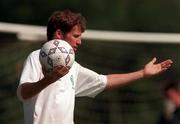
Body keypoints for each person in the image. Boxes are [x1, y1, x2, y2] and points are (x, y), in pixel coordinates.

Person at [16, 9, 173, 124]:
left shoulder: (73, 67)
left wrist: (142, 73)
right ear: (59, 34)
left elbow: (104, 81)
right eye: (76, 36)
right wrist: (48, 80)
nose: (80, 41)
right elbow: (23, 94)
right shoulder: (37, 57)